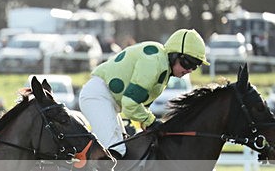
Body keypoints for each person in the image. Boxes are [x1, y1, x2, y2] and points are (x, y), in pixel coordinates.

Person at [79, 28, 209, 158]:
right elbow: (130, 104)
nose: (190, 69)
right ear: (174, 55)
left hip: (108, 100)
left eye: (195, 65)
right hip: (98, 97)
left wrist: (148, 124)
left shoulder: (163, 69)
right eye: (188, 62)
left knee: (128, 152)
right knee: (116, 151)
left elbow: (141, 107)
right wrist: (152, 122)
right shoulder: (155, 62)